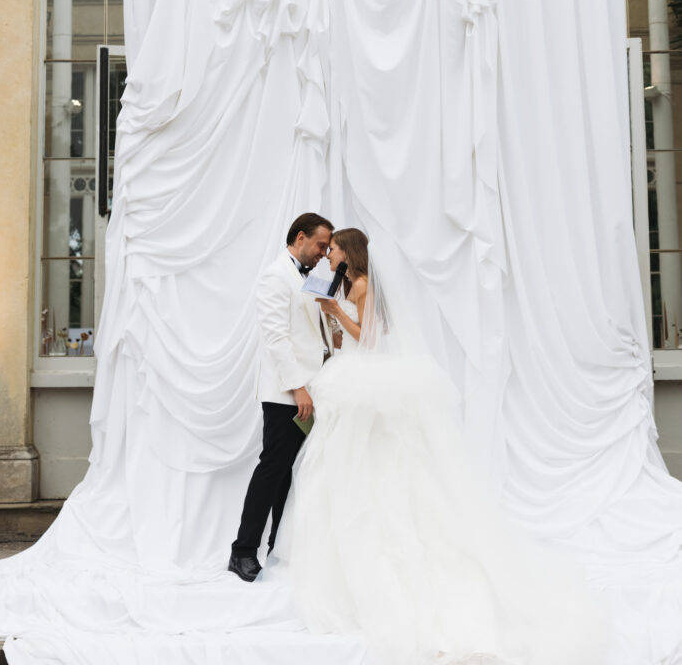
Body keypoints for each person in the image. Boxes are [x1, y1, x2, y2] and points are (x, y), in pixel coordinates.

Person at [274, 228, 608, 665]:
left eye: (334, 248)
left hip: (365, 376)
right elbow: (354, 335)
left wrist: (336, 309)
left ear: (348, 252)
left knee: (372, 461)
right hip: (352, 370)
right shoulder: (348, 284)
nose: (329, 253)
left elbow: (371, 336)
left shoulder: (361, 284)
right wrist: (335, 322)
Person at [228, 211, 334, 583]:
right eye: (321, 245)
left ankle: (277, 546)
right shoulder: (276, 276)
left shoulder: (312, 278)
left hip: (310, 392)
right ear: (300, 237)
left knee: (292, 475)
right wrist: (298, 387)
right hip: (285, 394)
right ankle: (242, 550)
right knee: (272, 470)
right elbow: (276, 338)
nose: (324, 253)